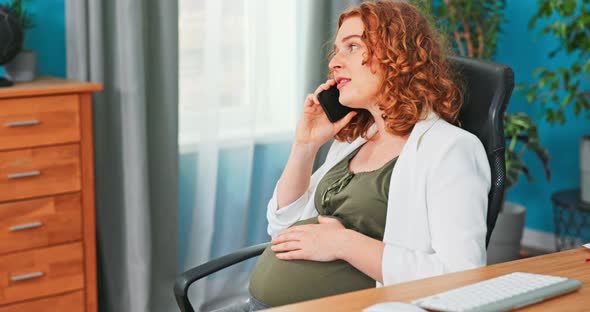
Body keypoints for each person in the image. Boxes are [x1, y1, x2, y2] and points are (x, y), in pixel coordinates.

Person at [214, 0, 490, 311]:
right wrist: (305, 146)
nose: (334, 61)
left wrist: (344, 244)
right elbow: (283, 226)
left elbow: (462, 278)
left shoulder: (450, 150)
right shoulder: (357, 138)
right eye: (336, 49)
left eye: (353, 47)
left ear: (397, 56)